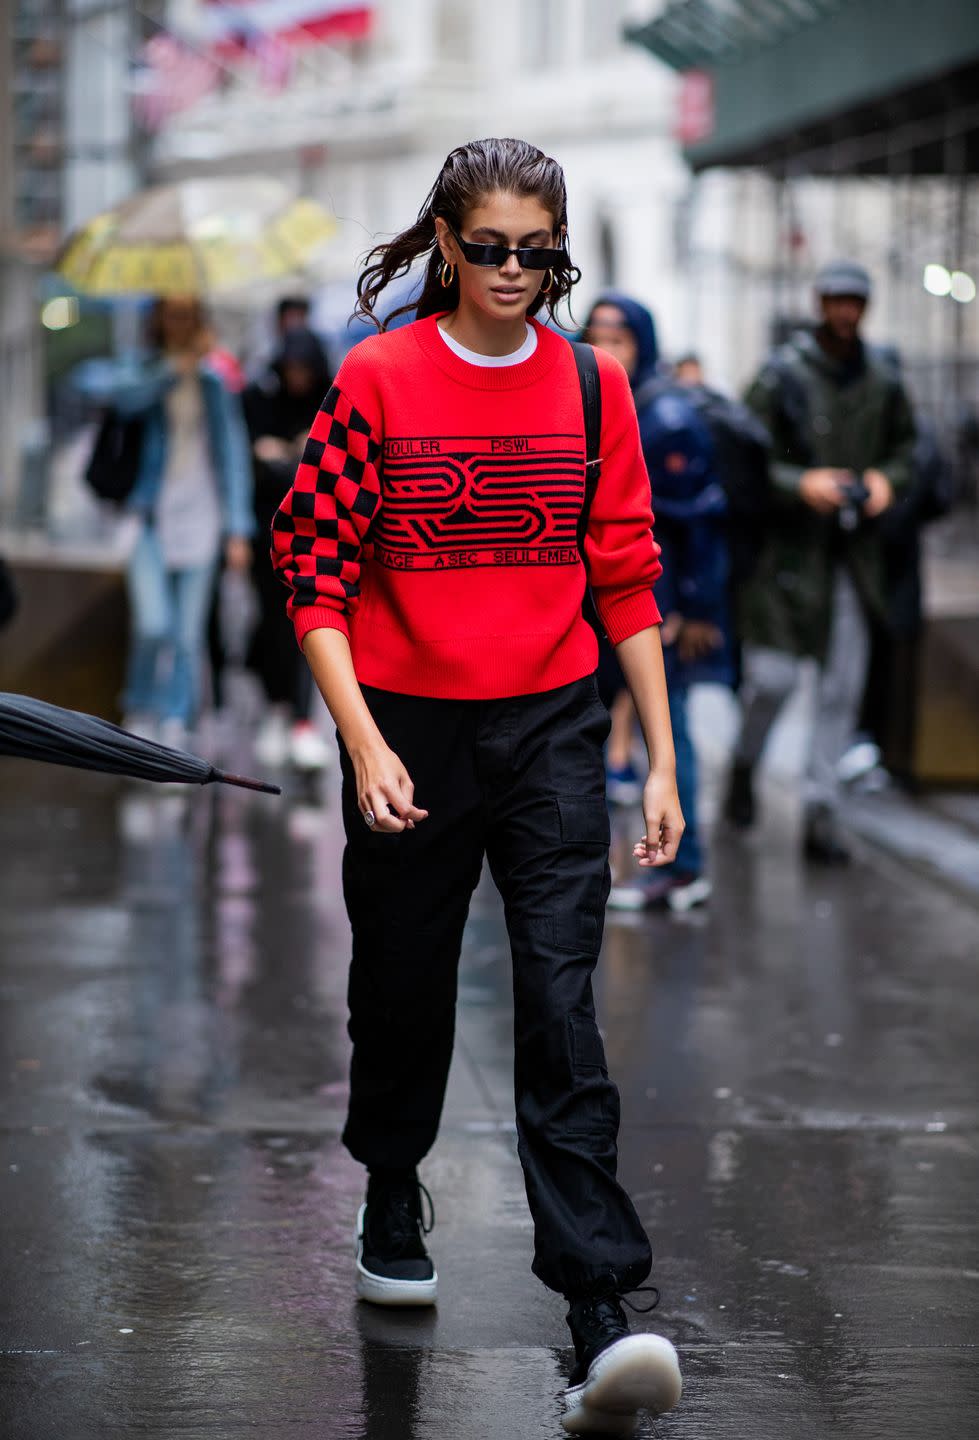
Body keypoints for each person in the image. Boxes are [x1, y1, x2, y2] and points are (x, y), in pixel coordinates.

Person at [271, 138, 684, 1433]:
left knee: (559, 1003)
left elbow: (623, 569)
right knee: (400, 985)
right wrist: (361, 739)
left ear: (557, 252)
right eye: (489, 247)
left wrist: (660, 752)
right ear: (445, 243)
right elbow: (314, 568)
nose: (512, 271)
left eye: (535, 250)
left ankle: (597, 1312)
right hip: (407, 724)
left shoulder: (589, 385)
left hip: (554, 725)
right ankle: (392, 1182)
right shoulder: (379, 377)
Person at [728, 260, 916, 861]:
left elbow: (909, 448)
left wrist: (886, 480)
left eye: (854, 302)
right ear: (819, 302)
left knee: (841, 688)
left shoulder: (882, 377)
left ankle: (821, 811)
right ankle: (743, 763)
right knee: (773, 681)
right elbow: (744, 457)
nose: (844, 312)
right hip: (785, 560)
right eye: (836, 300)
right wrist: (799, 482)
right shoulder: (782, 374)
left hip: (850, 561)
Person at [585, 296, 728, 913]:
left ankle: (682, 866)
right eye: (597, 336)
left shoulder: (666, 416)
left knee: (667, 735)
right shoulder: (590, 401)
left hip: (658, 605)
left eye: (620, 338)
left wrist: (695, 610)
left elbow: (699, 524)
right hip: (597, 603)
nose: (607, 348)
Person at [120, 297, 254, 746]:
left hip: (202, 519)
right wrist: (171, 371)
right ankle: (139, 704)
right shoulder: (145, 370)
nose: (179, 324)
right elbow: (120, 399)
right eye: (172, 315)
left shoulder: (215, 382)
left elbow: (233, 455)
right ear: (157, 319)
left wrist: (238, 526)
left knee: (187, 633)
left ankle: (175, 718)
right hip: (149, 518)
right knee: (152, 623)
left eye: (188, 315)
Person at [243, 325, 334, 769]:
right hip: (266, 534)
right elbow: (256, 465)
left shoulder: (328, 402)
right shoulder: (260, 400)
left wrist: (283, 456)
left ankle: (300, 719)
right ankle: (277, 708)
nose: (298, 377)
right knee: (271, 626)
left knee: (309, 624)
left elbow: (321, 470)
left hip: (314, 535)